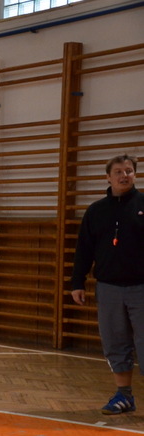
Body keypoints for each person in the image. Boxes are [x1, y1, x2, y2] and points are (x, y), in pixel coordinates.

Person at [71, 154, 144, 415]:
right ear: (108, 177)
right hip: (108, 288)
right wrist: (77, 282)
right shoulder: (96, 211)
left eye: (129, 171)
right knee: (115, 342)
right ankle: (124, 396)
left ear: (135, 174)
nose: (125, 175)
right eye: (119, 172)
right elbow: (84, 249)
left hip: (141, 288)